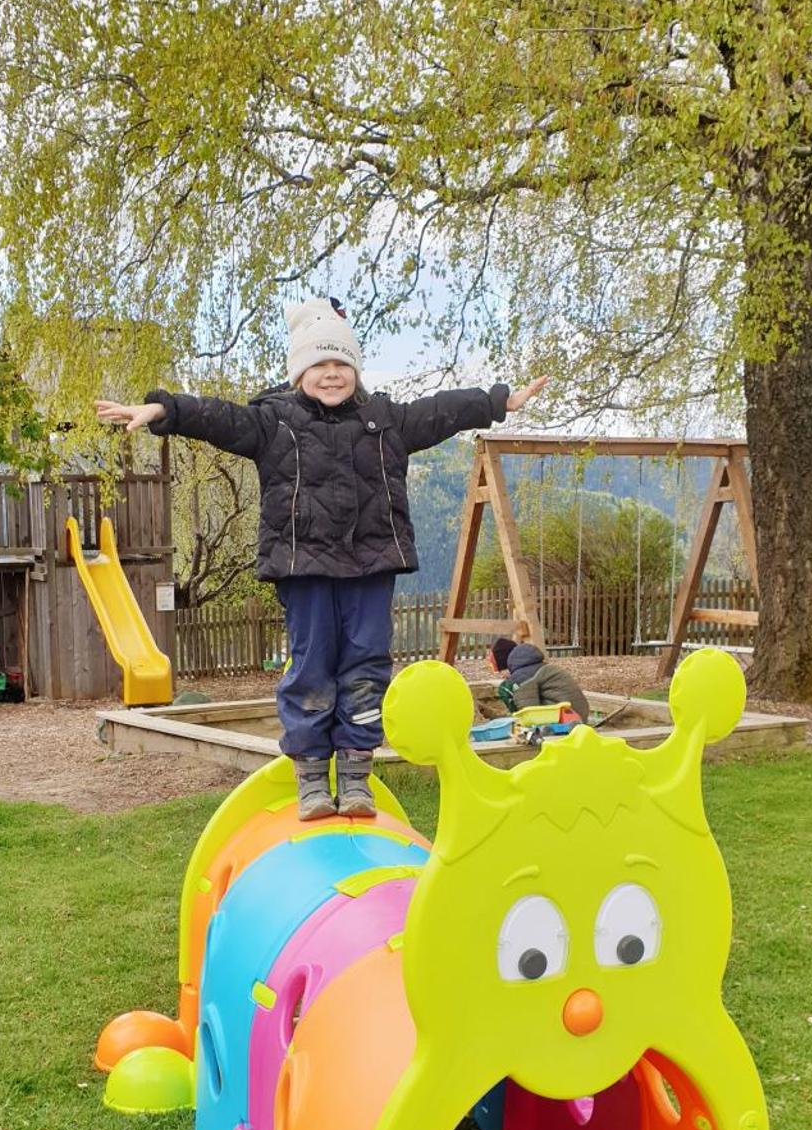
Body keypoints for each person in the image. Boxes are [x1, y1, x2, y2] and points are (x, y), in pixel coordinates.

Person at [96, 298, 547, 819]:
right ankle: (311, 775)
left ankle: (356, 773)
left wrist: (496, 401)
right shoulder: (274, 423)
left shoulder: (385, 421)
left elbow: (440, 410)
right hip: (304, 565)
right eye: (319, 366)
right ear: (299, 372)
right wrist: (164, 410)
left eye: (341, 366)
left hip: (371, 563)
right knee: (311, 667)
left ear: (354, 370)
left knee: (366, 666)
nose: (331, 376)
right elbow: (218, 417)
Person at [487, 635, 591, 724]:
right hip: (578, 714)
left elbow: (530, 712)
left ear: (509, 665)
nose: (502, 676)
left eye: (502, 671)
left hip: (567, 721)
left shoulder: (523, 678)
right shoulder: (543, 668)